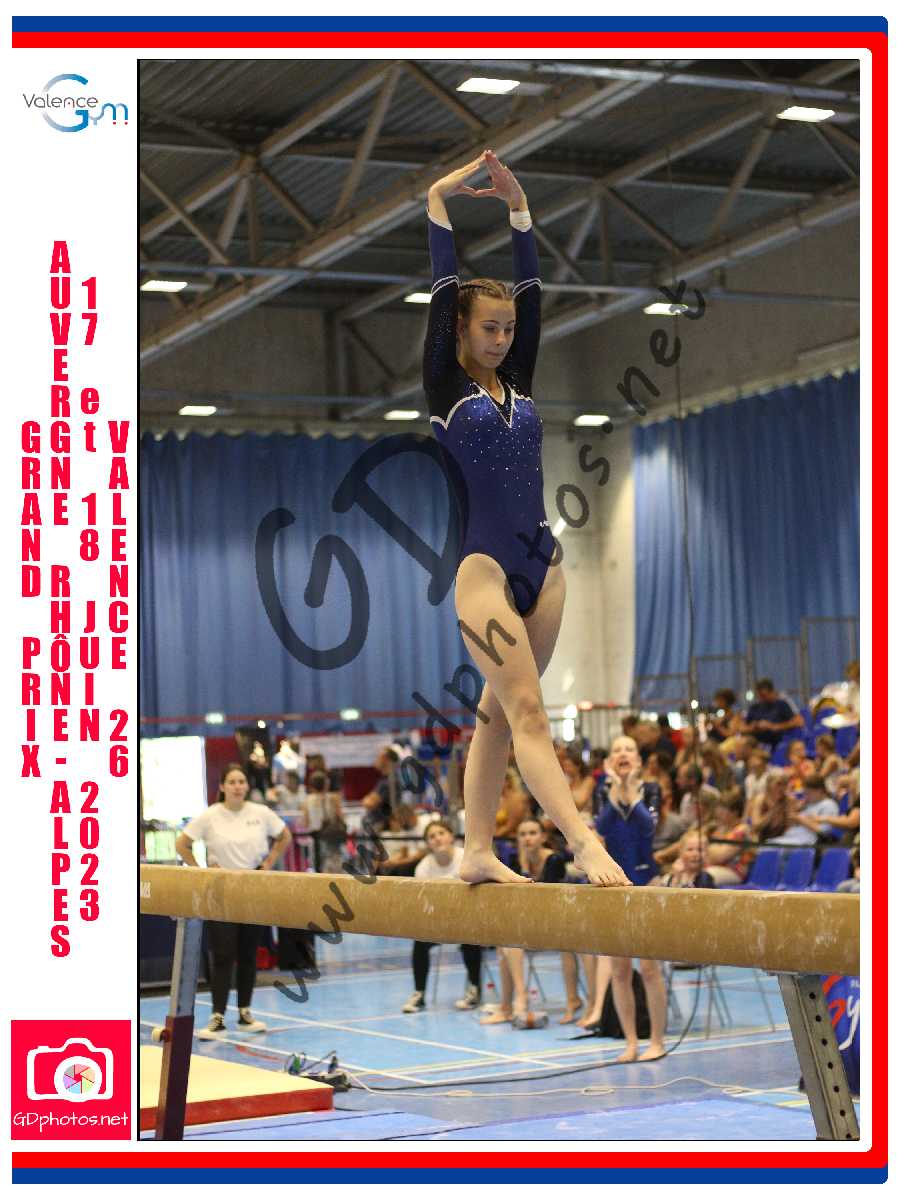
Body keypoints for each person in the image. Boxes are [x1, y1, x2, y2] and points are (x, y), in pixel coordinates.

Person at [422, 149, 629, 889]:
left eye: (508, 329)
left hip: (545, 567)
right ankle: (583, 841)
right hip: (482, 574)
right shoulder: (445, 386)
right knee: (529, 712)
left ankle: (477, 849)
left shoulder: (520, 380)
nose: (503, 338)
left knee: (500, 714)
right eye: (489, 327)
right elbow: (443, 282)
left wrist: (520, 211)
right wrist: (439, 199)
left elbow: (535, 294)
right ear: (460, 328)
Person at [175, 763, 292, 1039]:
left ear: (247, 786)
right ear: (222, 787)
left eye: (241, 781)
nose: (237, 786)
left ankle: (244, 1013)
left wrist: (269, 863)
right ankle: (217, 1017)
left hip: (253, 887)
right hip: (222, 890)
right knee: (224, 954)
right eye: (232, 782)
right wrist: (200, 870)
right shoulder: (211, 815)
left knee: (248, 954)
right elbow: (182, 844)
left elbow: (284, 836)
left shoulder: (261, 813)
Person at [594, 736, 667, 1061]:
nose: (623, 754)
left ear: (638, 759)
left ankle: (657, 1041)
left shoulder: (651, 790)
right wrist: (615, 789)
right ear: (609, 760)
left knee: (649, 969)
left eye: (629, 749)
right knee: (620, 971)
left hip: (646, 882)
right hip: (614, 885)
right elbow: (603, 826)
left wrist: (631, 790)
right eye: (617, 750)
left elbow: (648, 826)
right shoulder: (602, 790)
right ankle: (631, 1042)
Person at [482, 817, 568, 1026]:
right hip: (525, 925)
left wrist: (524, 868)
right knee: (505, 942)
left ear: (543, 837)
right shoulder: (513, 861)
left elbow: (542, 901)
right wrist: (521, 865)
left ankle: (518, 999)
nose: (527, 838)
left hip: (553, 923)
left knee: (510, 940)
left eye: (532, 833)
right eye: (522, 834)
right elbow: (510, 898)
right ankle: (507, 1006)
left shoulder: (554, 860)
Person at [402, 820, 482, 1013]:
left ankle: (474, 988)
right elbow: (424, 905)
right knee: (419, 941)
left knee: (471, 939)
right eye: (432, 836)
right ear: (427, 844)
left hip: (468, 920)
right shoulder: (423, 868)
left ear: (451, 836)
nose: (437, 838)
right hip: (439, 922)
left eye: (441, 833)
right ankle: (419, 993)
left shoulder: (466, 859)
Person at [703, 790, 753, 885]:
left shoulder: (742, 830)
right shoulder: (720, 828)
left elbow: (719, 857)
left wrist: (706, 848)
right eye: (718, 809)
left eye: (723, 810)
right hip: (714, 866)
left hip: (734, 871)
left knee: (704, 876)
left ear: (735, 812)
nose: (718, 813)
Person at [741, 678, 804, 749]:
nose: (761, 698)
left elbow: (799, 722)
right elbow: (742, 728)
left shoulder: (781, 705)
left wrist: (773, 726)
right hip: (756, 742)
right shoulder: (754, 708)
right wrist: (754, 727)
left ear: (772, 692)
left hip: (777, 742)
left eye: (764, 695)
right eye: (759, 696)